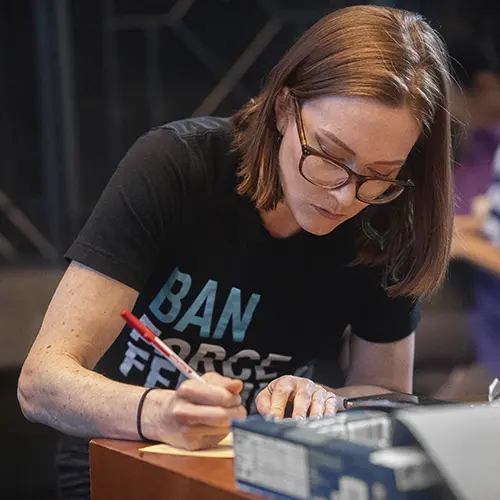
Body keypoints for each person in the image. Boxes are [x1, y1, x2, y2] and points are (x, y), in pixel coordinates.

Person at [18, 5, 453, 499]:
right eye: (330, 157)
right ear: (286, 108)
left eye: (379, 174)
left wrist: (327, 399)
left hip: (277, 473)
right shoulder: (178, 167)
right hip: (130, 457)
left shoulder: (388, 221)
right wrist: (160, 412)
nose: (345, 196)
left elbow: (387, 394)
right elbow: (41, 383)